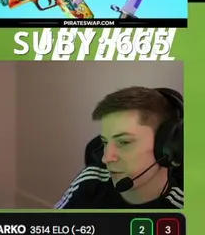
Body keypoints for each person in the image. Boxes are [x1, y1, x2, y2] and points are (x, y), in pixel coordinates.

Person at [55, 87, 183, 209]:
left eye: (124, 142)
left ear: (165, 147)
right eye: (104, 142)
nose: (106, 158)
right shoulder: (90, 181)